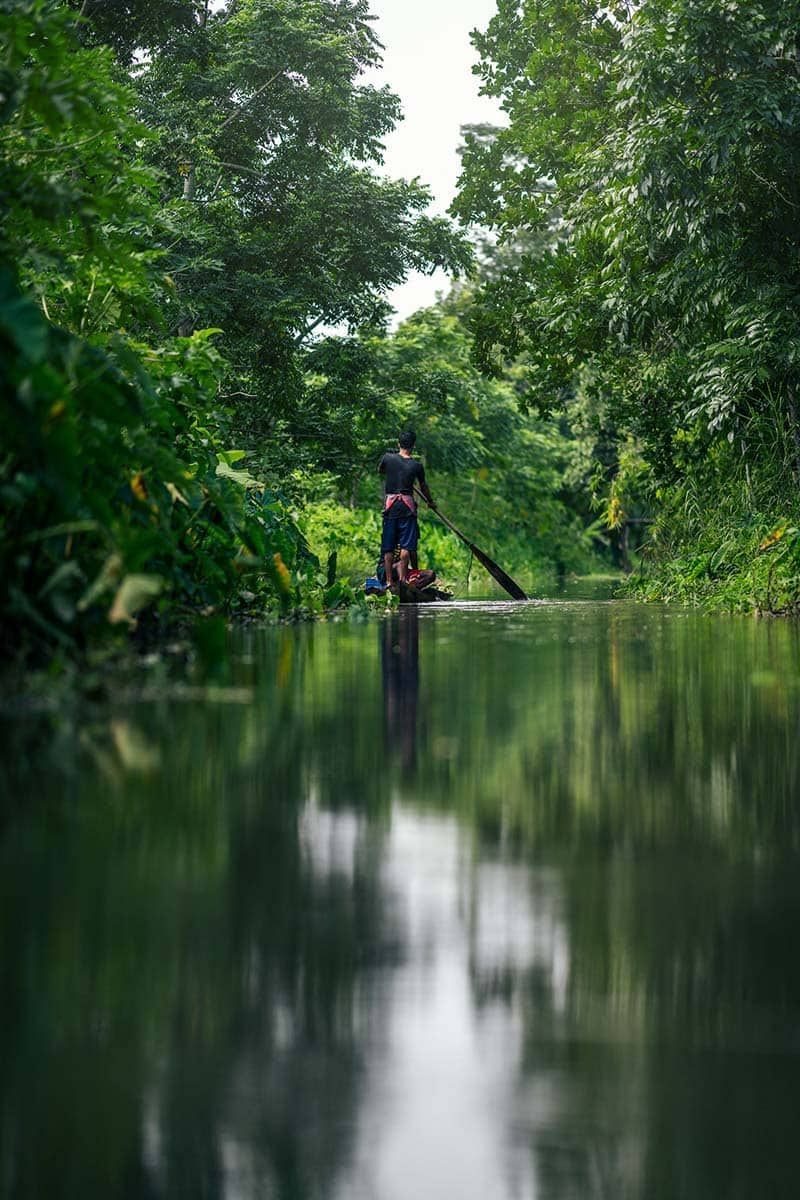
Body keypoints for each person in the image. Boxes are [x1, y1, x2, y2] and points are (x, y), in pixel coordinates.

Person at [377, 430, 434, 589]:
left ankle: (389, 582)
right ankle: (402, 581)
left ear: (398, 444)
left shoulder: (388, 458)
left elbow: (380, 470)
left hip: (391, 506)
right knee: (406, 547)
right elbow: (424, 487)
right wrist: (430, 502)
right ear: (413, 446)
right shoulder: (417, 466)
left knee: (388, 546)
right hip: (407, 508)